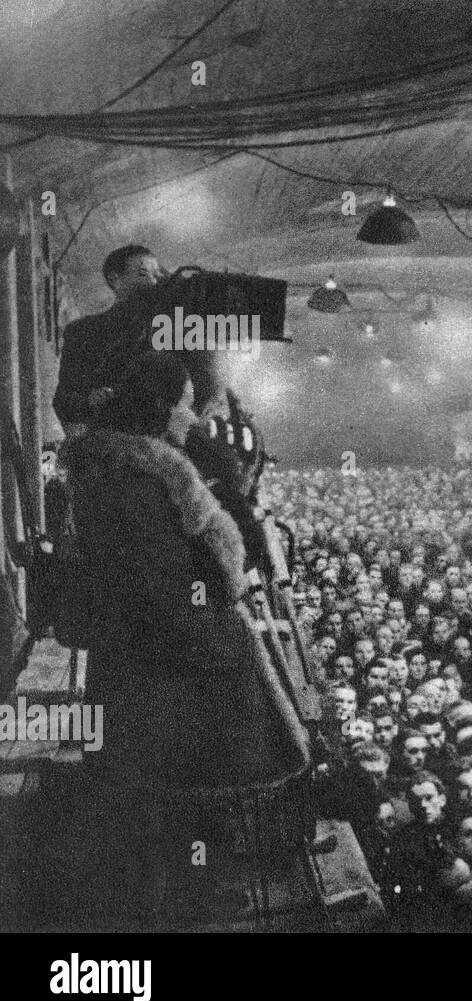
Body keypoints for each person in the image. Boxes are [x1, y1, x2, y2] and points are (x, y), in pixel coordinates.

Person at [62, 351, 304, 926]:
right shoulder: (135, 483)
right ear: (161, 408)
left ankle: (177, 896)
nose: (189, 420)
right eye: (184, 407)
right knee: (176, 794)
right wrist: (225, 644)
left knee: (158, 799)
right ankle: (181, 907)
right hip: (164, 668)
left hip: (139, 659)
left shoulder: (121, 469)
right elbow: (164, 591)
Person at [54, 244, 166, 434]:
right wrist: (90, 401)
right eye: (143, 274)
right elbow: (64, 402)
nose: (154, 283)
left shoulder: (171, 331)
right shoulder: (82, 332)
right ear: (116, 280)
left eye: (157, 275)